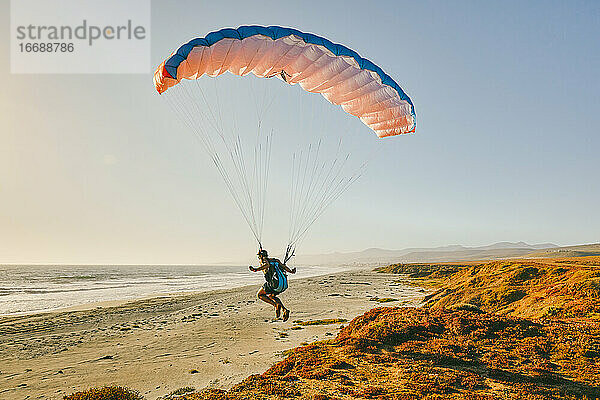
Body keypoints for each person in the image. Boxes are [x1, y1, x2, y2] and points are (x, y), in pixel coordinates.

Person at [249, 249, 296, 321]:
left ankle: (275, 305)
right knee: (271, 296)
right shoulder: (275, 260)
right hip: (283, 284)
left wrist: (256, 269)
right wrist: (291, 271)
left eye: (259, 256)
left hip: (274, 284)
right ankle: (284, 309)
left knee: (260, 295)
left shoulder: (263, 260)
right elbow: (283, 267)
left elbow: (267, 265)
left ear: (261, 256)